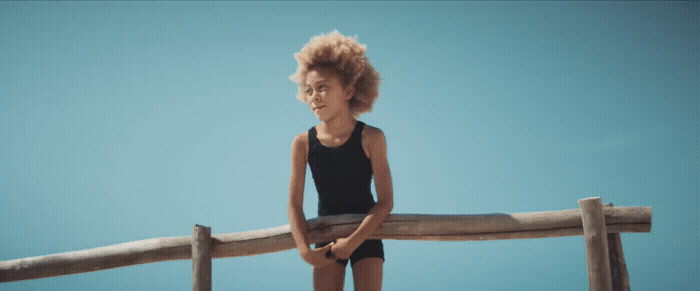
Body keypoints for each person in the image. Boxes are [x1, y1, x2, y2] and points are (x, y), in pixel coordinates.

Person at [287, 30, 394, 291]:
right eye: (309, 90)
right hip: (325, 236)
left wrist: (353, 242)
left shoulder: (372, 137)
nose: (314, 96)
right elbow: (294, 206)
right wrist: (303, 250)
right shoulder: (302, 143)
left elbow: (386, 202)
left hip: (367, 234)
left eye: (323, 87)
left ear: (348, 91)